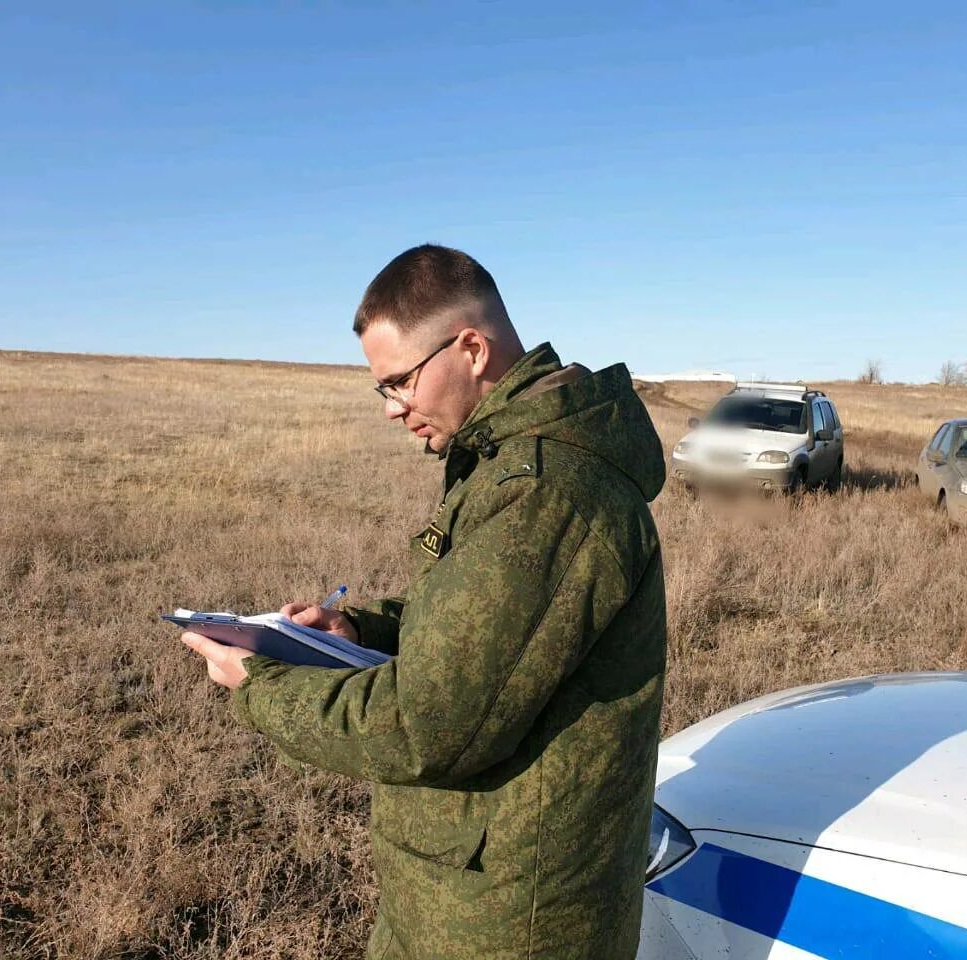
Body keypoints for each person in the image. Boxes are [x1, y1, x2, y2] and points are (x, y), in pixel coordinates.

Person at [180, 244, 668, 960]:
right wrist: (362, 627)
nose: (391, 410)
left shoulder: (546, 493)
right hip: (464, 898)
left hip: (509, 924)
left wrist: (262, 683)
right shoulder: (508, 464)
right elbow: (491, 633)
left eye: (399, 382)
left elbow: (426, 725)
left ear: (471, 348)